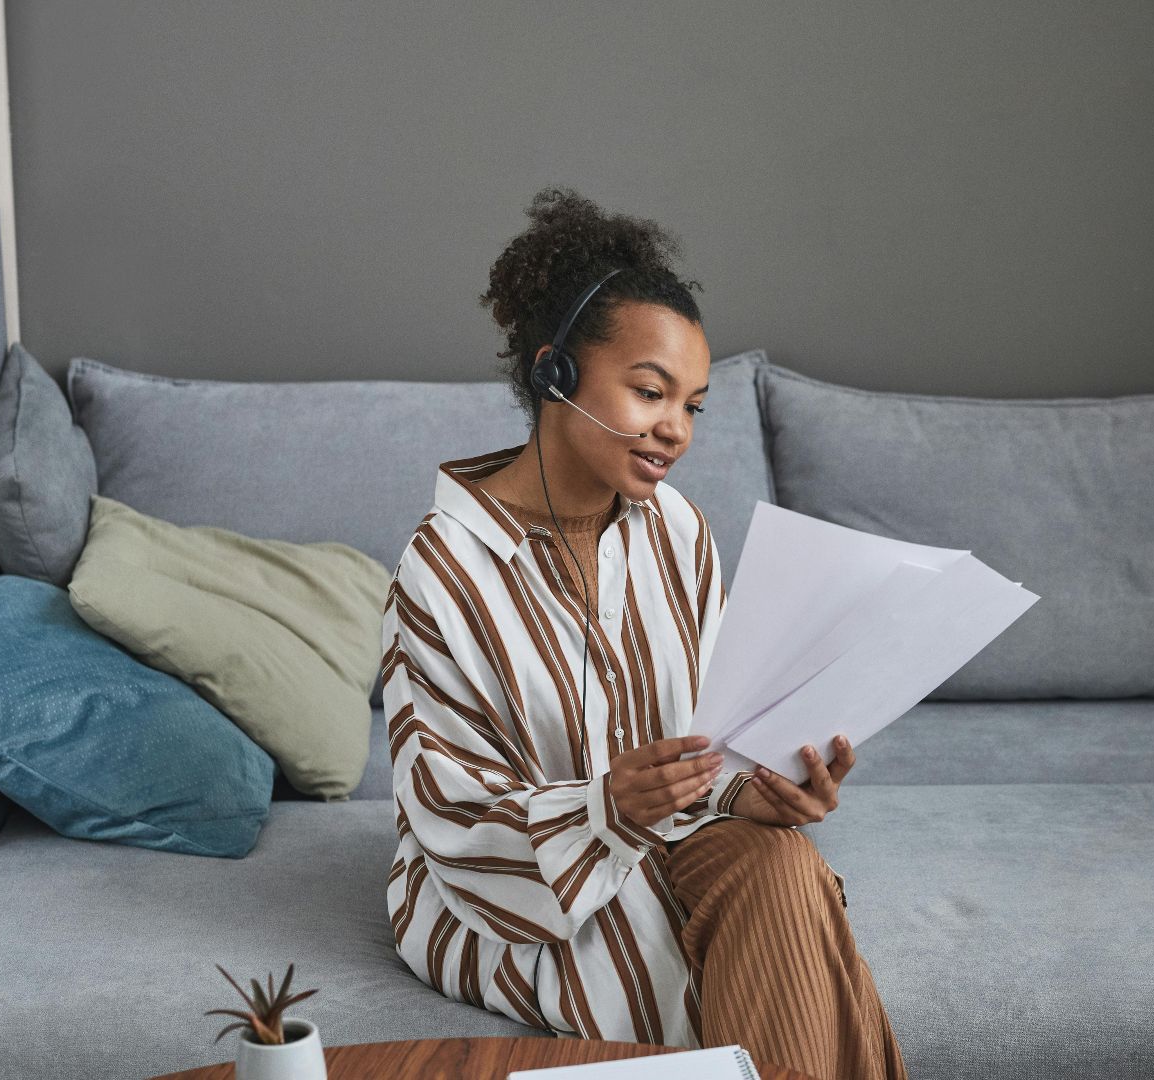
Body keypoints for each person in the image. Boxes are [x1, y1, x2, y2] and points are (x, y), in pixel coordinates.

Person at [381, 186, 908, 1080]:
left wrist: (763, 791)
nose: (676, 430)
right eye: (650, 391)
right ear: (556, 376)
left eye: (693, 405)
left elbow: (713, 741)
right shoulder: (443, 569)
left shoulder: (678, 530)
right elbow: (447, 813)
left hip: (671, 838)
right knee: (724, 959)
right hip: (510, 888)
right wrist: (607, 807)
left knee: (782, 863)